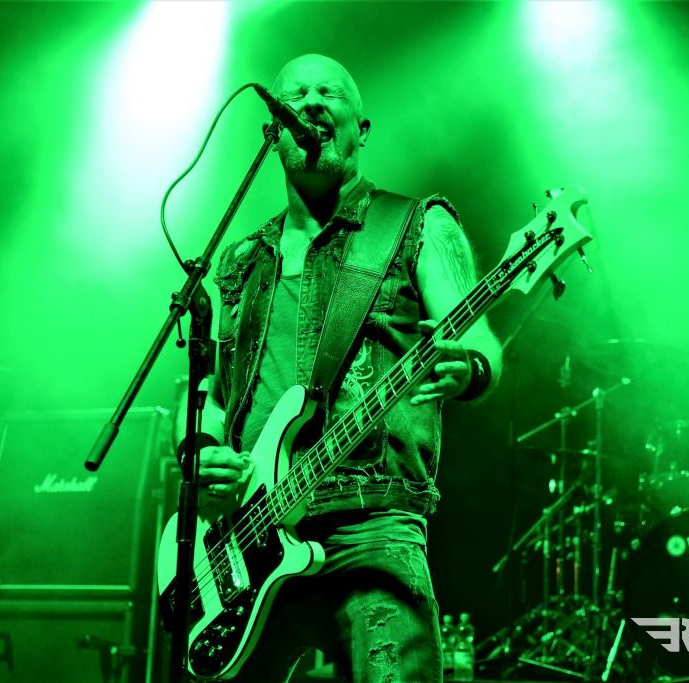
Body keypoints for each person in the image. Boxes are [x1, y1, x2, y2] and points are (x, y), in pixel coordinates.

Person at [174, 53, 502, 683]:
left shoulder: (414, 225)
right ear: (273, 129)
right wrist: (203, 451)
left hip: (371, 524)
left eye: (330, 92)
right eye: (296, 94)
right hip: (249, 538)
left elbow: (477, 336)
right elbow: (210, 395)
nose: (312, 102)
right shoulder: (239, 260)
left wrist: (471, 367)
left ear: (362, 129)